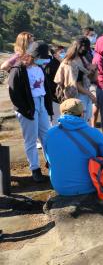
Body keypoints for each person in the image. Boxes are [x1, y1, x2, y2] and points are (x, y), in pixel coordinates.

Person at [43, 98, 103, 196]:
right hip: (90, 186)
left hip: (61, 188)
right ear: (82, 113)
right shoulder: (94, 133)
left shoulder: (50, 133)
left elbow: (49, 160)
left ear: (61, 113)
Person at [8, 42, 54, 182]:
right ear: (33, 55)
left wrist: (47, 107)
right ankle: (35, 168)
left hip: (41, 104)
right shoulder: (19, 69)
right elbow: (14, 93)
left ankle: (51, 163)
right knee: (31, 139)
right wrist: (26, 109)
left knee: (47, 136)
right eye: (42, 57)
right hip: (29, 106)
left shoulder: (39, 67)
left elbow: (45, 88)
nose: (44, 60)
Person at [55, 37, 97, 125]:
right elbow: (75, 84)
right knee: (78, 122)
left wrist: (94, 69)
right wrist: (91, 95)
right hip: (76, 97)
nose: (84, 50)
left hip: (84, 94)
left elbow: (90, 77)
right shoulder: (70, 63)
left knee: (85, 120)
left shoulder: (82, 58)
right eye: (83, 47)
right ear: (77, 47)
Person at [44, 47, 61, 125]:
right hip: (55, 95)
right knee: (56, 118)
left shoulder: (49, 64)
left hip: (50, 94)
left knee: (52, 118)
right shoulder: (56, 62)